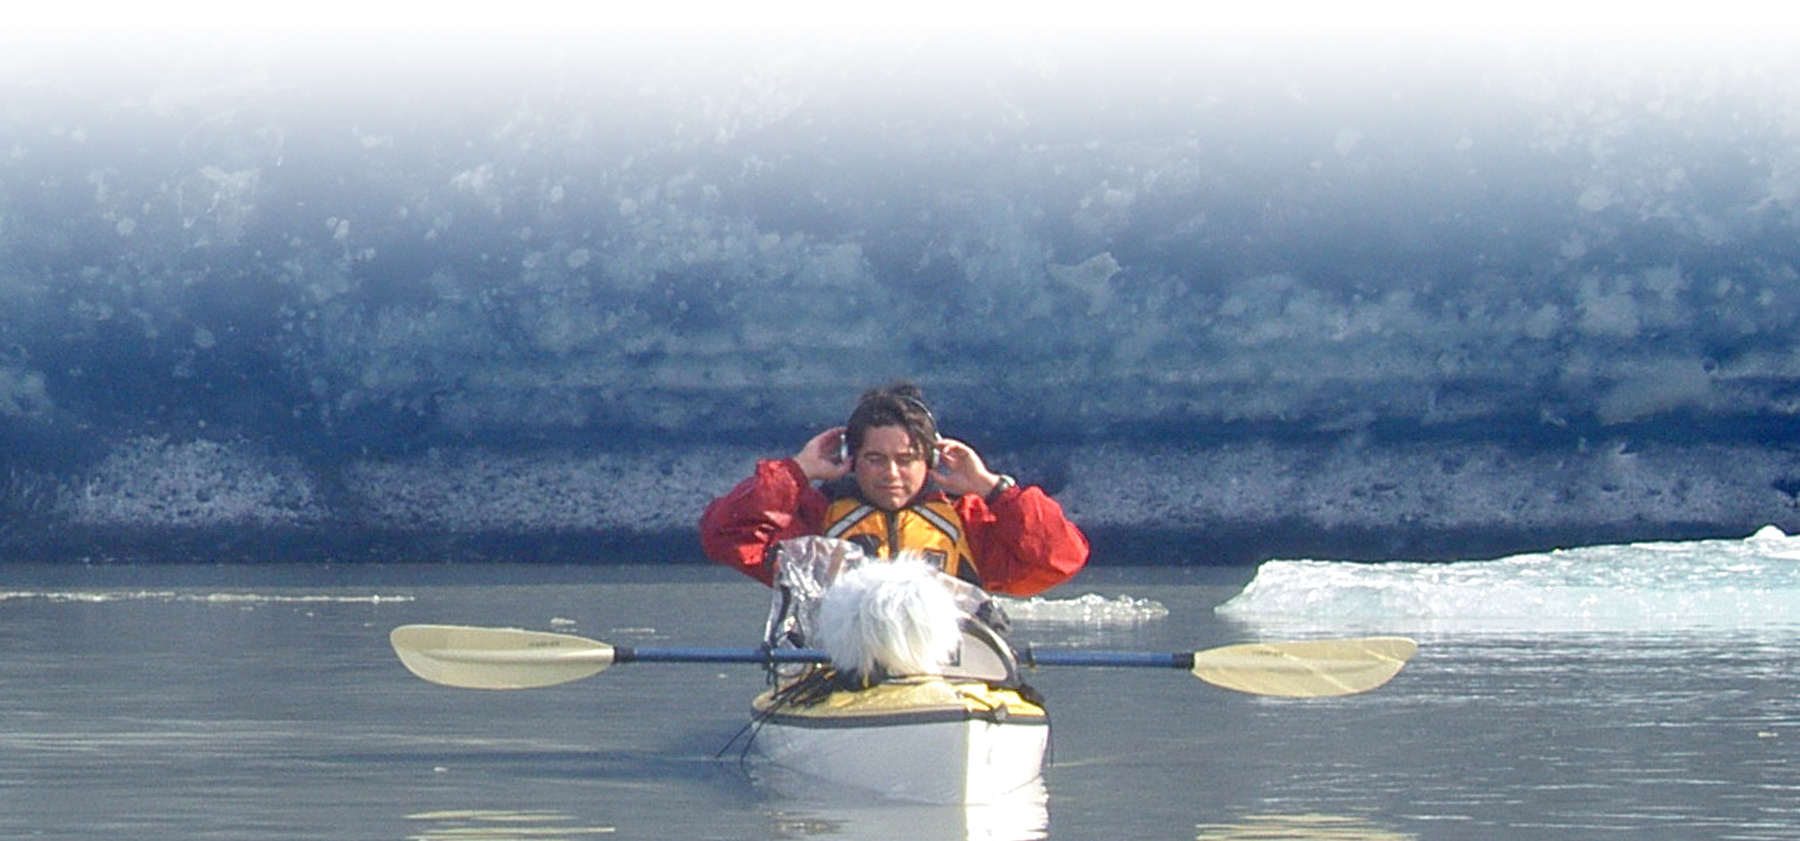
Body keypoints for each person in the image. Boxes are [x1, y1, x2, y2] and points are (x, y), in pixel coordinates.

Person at [699, 382, 1089, 597]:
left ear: (930, 460)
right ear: (852, 458)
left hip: (948, 673)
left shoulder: (969, 521)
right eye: (875, 459)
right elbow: (727, 536)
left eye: (905, 459)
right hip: (843, 674)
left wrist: (993, 489)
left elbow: (1058, 559)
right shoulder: (817, 517)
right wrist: (797, 471)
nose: (891, 474)